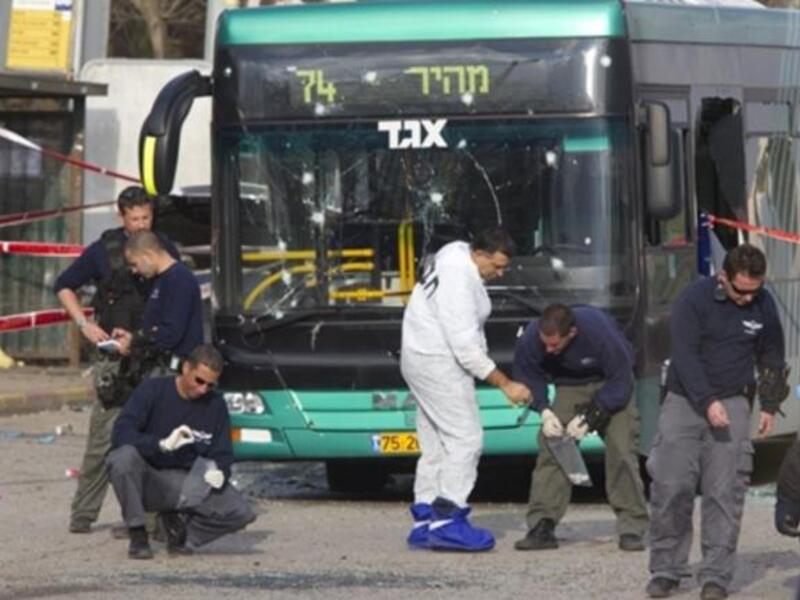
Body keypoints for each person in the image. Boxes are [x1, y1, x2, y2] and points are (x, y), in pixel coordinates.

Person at [646, 243, 788, 600]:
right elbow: (685, 356)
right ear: (723, 276)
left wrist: (769, 403)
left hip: (734, 401)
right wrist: (707, 402)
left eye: (753, 291)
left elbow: (772, 353)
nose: (746, 298)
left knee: (725, 492)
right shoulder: (693, 300)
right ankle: (666, 568)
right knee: (671, 486)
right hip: (684, 401)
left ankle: (716, 576)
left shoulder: (762, 303)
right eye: (740, 290)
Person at [56, 186, 179, 535]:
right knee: (103, 438)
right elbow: (66, 285)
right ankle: (83, 516)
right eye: (134, 218)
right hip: (114, 359)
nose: (141, 225)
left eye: (146, 217)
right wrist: (85, 324)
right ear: (121, 217)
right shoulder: (103, 251)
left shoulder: (163, 248)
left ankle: (151, 517)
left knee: (153, 438)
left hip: (150, 353)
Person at [400, 228, 531, 552]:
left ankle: (425, 517)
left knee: (435, 441)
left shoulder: (454, 251)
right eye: (496, 266)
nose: (498, 274)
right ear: (480, 254)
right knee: (465, 438)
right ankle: (448, 521)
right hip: (439, 362)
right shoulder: (459, 280)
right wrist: (506, 384)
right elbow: (465, 348)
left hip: (416, 355)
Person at [512, 304, 649, 552]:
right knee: (552, 446)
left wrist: (592, 416)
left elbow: (621, 379)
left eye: (555, 345)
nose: (548, 350)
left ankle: (632, 525)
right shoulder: (533, 337)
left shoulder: (599, 331)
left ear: (572, 333)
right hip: (569, 385)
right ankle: (542, 523)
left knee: (621, 449)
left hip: (610, 384)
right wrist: (543, 410)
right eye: (545, 344)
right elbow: (528, 375)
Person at [107, 344, 256, 559]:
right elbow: (121, 433)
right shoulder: (152, 390)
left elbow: (223, 452)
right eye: (199, 380)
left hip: (187, 482)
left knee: (241, 511)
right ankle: (138, 533)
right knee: (122, 458)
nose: (203, 389)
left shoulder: (215, 405)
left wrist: (220, 472)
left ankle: (179, 534)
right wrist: (161, 444)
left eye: (210, 385)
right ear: (186, 368)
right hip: (148, 477)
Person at [112, 230, 203, 371]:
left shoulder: (179, 279)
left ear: (148, 255)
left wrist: (135, 339)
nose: (134, 271)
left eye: (135, 264)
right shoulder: (160, 280)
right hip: (160, 367)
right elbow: (155, 327)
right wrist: (132, 338)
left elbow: (171, 333)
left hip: (176, 371)